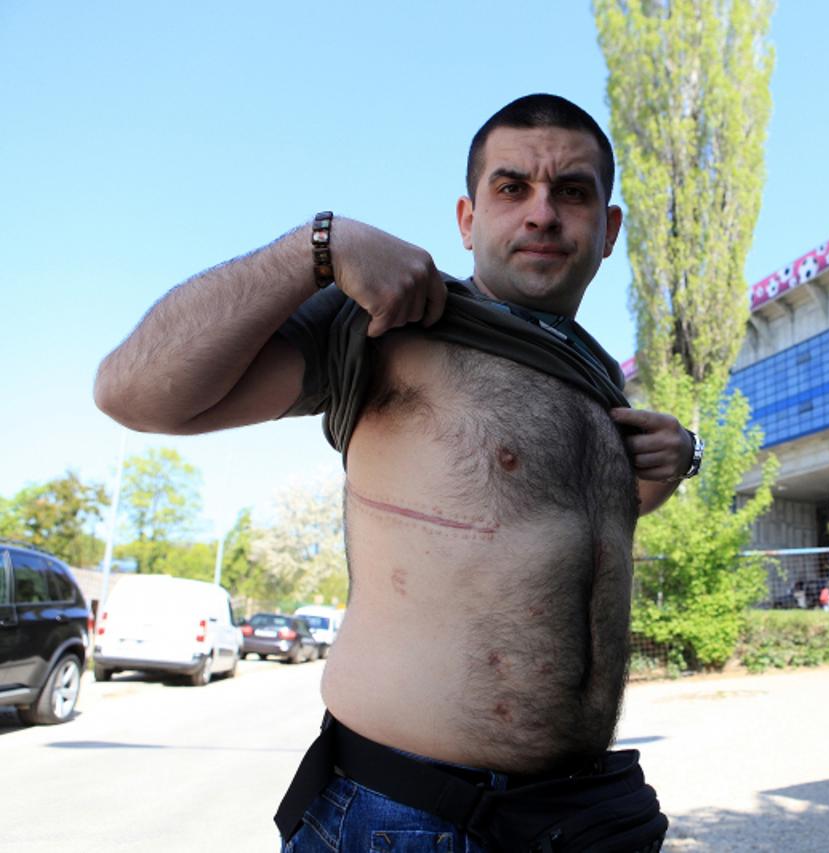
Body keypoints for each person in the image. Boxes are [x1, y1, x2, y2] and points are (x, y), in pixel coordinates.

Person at [94, 94, 689, 853]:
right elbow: (132, 392)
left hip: (580, 818)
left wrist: (670, 465)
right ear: (467, 220)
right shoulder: (397, 322)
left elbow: (550, 546)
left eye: (571, 192)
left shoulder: (599, 376)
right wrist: (313, 248)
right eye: (512, 188)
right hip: (410, 820)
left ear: (606, 230)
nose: (542, 213)